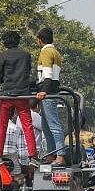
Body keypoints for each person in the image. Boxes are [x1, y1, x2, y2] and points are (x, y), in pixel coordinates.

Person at [0, 30, 38, 160]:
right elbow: (27, 73)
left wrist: (5, 80)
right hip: (22, 94)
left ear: (5, 42)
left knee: (2, 124)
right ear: (18, 41)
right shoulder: (26, 55)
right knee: (27, 124)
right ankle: (33, 154)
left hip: (7, 94)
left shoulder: (3, 56)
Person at [35, 27, 65, 162]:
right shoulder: (56, 52)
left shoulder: (46, 52)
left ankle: (59, 155)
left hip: (48, 91)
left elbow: (47, 75)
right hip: (52, 89)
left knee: (53, 125)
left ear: (40, 40)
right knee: (46, 126)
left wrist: (44, 91)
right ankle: (52, 153)